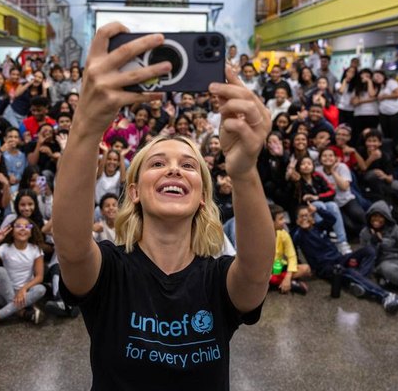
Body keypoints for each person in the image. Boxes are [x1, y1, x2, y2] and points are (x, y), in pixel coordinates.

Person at [52, 24, 274, 390]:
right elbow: (72, 245)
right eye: (157, 163)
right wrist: (86, 126)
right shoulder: (109, 271)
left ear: (203, 195)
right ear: (135, 192)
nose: (173, 167)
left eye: (189, 165)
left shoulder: (217, 280)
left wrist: (245, 171)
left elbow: (256, 271)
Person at [291, 203, 398, 314]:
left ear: (312, 217)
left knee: (369, 250)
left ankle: (358, 281)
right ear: (296, 220)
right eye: (302, 216)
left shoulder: (318, 227)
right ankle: (385, 296)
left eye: (307, 215)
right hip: (325, 267)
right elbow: (292, 252)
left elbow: (332, 219)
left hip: (340, 258)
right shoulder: (298, 234)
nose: (305, 218)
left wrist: (317, 210)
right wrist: (301, 267)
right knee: (347, 271)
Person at [0, 216, 46, 333]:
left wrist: (23, 289)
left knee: (41, 289)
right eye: (18, 226)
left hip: (25, 295)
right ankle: (21, 312)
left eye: (27, 226)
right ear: (12, 232)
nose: (23, 229)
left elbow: (39, 277)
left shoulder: (35, 250)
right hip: (5, 293)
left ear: (31, 232)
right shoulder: (5, 248)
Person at [269, 204, 309, 295]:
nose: (284, 221)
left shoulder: (283, 234)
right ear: (271, 221)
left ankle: (279, 283)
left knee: (306, 269)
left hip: (277, 267)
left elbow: (292, 256)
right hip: (263, 271)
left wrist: (287, 277)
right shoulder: (260, 237)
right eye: (281, 219)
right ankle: (282, 284)